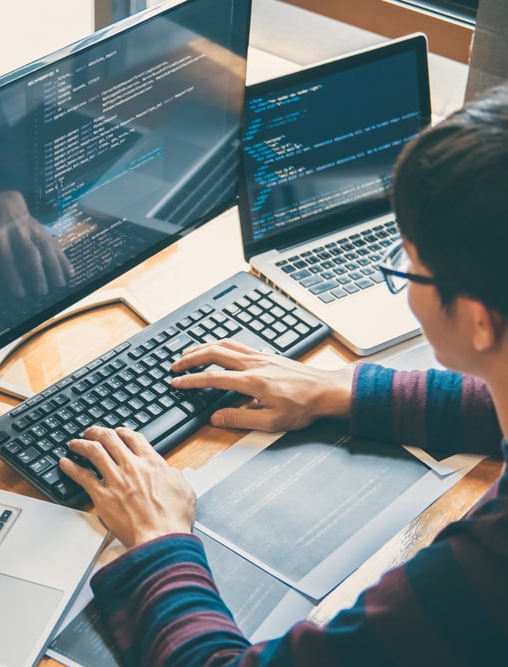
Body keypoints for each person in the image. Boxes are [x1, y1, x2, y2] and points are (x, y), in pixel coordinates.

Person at [58, 82, 508, 665]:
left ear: (478, 321)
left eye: (409, 264)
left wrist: (158, 539)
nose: (402, 277)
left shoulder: (488, 565)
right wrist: (342, 388)